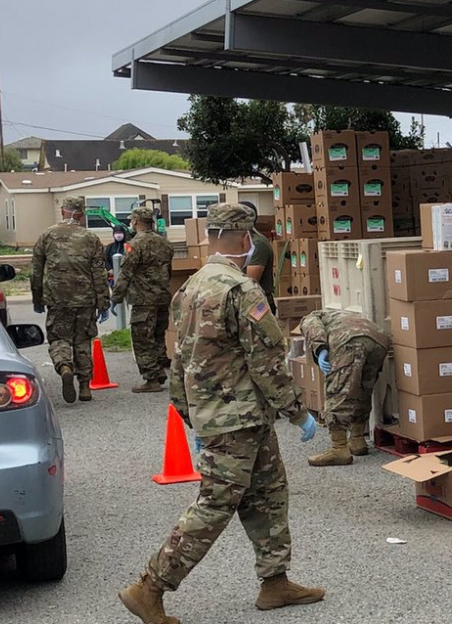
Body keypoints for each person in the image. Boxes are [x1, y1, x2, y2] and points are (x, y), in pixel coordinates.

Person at [119, 203, 324, 624]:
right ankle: (150, 587)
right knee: (215, 504)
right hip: (238, 419)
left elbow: (180, 358)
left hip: (227, 417)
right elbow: (266, 362)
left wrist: (190, 414)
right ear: (246, 240)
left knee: (268, 494)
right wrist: (297, 412)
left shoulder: (189, 288)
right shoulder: (241, 290)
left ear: (211, 238)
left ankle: (275, 581)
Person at [30, 197, 111, 404]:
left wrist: (37, 298)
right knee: (83, 341)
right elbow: (99, 273)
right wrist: (103, 302)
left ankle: (64, 366)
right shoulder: (91, 238)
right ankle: (85, 386)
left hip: (57, 299)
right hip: (85, 299)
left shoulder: (47, 235)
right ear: (81, 215)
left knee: (59, 338)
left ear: (62, 211)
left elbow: (36, 270)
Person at [297, 309, 390, 466]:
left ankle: (339, 448)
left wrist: (320, 350)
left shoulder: (310, 317)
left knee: (338, 392)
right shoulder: (341, 315)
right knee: (363, 390)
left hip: (349, 340)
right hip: (379, 340)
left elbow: (313, 327)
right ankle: (357, 440)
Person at [110, 205, 174, 393]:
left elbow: (126, 273)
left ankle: (152, 378)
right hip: (162, 296)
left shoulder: (134, 244)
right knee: (157, 335)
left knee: (142, 339)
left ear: (136, 221)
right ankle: (160, 369)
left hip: (142, 299)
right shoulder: (165, 243)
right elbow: (169, 271)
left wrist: (116, 297)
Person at [238, 201, 277, 315]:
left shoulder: (257, 244)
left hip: (259, 307)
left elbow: (250, 283)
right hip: (248, 305)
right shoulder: (242, 242)